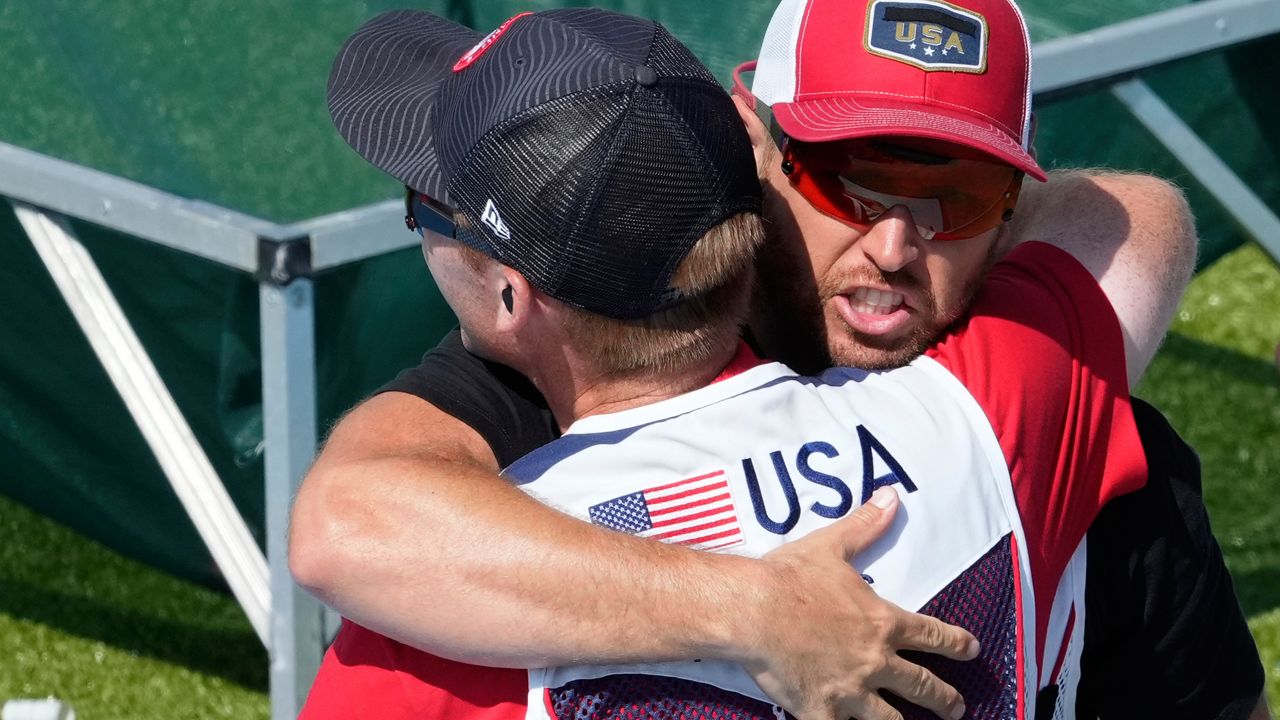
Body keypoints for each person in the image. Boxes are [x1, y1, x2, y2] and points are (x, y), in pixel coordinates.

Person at [291, 1, 1267, 719]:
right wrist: (751, 610)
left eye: (955, 197)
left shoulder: (461, 601)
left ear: (515, 299)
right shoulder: (1008, 404)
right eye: (847, 182)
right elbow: (1123, 223)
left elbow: (348, 524)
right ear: (752, 156)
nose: (892, 248)